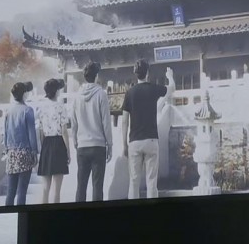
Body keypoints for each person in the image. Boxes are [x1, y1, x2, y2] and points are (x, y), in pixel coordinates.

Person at [121, 60, 175, 199]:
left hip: (134, 142)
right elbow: (171, 89)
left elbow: (124, 121)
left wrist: (124, 145)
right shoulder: (153, 88)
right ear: (147, 73)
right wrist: (170, 76)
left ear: (136, 74)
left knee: (134, 181)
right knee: (151, 181)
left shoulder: (129, 93)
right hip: (151, 140)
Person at [72, 62, 113, 202]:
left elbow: (74, 122)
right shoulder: (101, 94)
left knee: (81, 186)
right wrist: (110, 144)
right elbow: (106, 122)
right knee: (97, 186)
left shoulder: (77, 96)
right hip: (98, 146)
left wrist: (75, 141)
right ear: (96, 76)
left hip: (82, 146)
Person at [35, 78, 70, 204]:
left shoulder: (41, 108)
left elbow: (40, 132)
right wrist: (68, 152)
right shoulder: (61, 107)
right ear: (56, 91)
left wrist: (42, 149)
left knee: (45, 188)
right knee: (56, 189)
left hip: (46, 144)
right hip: (59, 144)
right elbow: (64, 131)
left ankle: (42, 212)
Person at [3, 81, 38, 206]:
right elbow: (32, 134)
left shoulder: (8, 111)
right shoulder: (28, 110)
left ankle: (7, 214)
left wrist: (7, 150)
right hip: (24, 153)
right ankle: (21, 214)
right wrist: (35, 153)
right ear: (24, 94)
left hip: (11, 153)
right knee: (22, 191)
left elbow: (5, 134)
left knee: (10, 191)